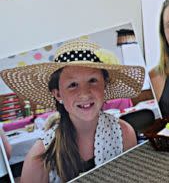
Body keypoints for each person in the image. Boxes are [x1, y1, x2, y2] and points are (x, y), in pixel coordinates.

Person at [0, 40, 145, 183]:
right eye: (73, 84)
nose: (84, 94)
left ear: (104, 86)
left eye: (93, 80)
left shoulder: (124, 134)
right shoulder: (40, 158)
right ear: (58, 94)